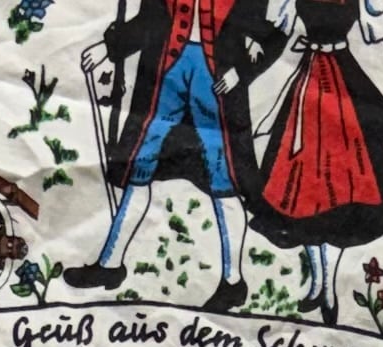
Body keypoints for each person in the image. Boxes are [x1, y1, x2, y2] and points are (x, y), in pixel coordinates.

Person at [64, 0, 283, 313]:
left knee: (224, 178)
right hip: (165, 75)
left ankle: (233, 282)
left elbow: (274, 36)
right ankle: (110, 264)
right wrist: (110, 48)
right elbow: (148, 22)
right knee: (139, 164)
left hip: (216, 83)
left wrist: (241, 73)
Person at [249, 0, 383, 326]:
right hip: (308, 85)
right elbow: (275, 29)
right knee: (300, 190)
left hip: (344, 83)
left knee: (342, 186)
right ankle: (316, 283)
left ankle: (328, 287)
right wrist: (252, 45)